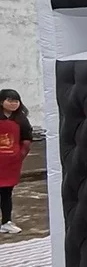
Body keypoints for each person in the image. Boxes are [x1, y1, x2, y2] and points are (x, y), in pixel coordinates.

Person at [0, 89, 33, 234]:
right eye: (10, 100)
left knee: (6, 193)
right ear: (1, 101)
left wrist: (20, 155)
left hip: (10, 164)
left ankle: (6, 221)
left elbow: (27, 139)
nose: (13, 103)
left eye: (16, 100)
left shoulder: (21, 119)